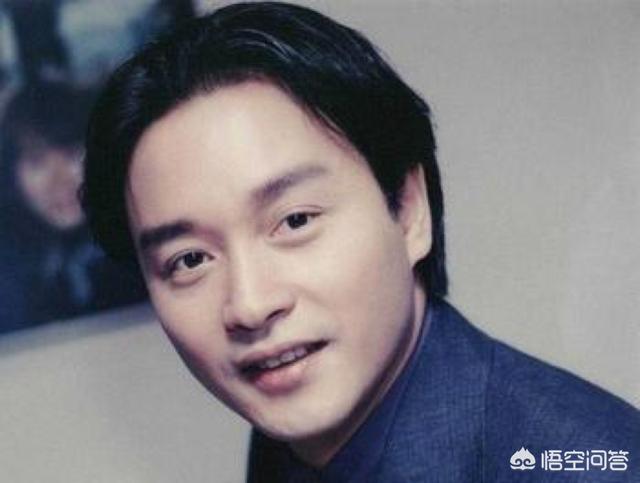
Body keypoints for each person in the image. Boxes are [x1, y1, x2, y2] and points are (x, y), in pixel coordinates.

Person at [81, 2, 639, 481]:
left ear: (409, 209)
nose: (249, 305)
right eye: (190, 259)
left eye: (295, 221)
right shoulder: (289, 441)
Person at [0, 81, 146, 332]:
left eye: (71, 154)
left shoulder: (136, 244)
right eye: (37, 162)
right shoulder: (17, 264)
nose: (58, 182)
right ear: (13, 178)